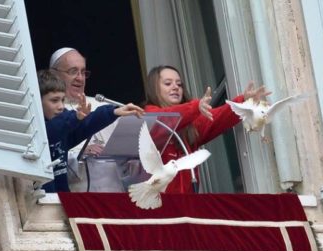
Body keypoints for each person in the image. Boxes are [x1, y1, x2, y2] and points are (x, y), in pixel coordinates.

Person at [143, 65, 270, 194]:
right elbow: (164, 119)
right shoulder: (149, 116)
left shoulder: (190, 125)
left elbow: (219, 117)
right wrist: (195, 107)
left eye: (179, 84)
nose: (175, 87)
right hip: (158, 206)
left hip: (187, 204)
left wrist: (244, 102)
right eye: (168, 83)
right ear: (155, 89)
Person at [38, 69, 144, 192]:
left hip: (61, 199)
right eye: (54, 100)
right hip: (40, 201)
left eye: (62, 100)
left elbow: (87, 124)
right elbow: (51, 131)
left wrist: (113, 112)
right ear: (38, 101)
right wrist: (76, 117)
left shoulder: (65, 125)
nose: (61, 106)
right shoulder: (35, 130)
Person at [49, 47, 125, 191]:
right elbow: (51, 161)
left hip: (116, 195)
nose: (80, 77)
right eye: (73, 71)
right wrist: (80, 154)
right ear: (54, 74)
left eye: (83, 72)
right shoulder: (49, 112)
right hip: (79, 200)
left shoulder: (103, 104)